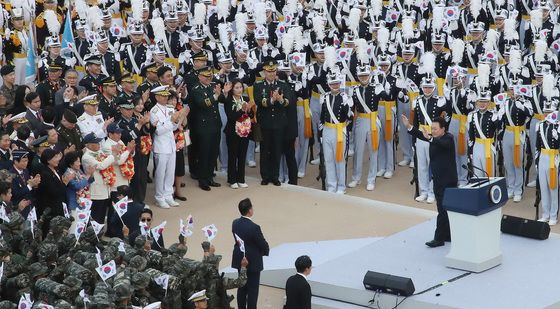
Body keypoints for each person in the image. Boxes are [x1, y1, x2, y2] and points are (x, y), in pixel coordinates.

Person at [402, 115, 457, 247]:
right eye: (432, 128)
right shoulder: (434, 138)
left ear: (443, 129)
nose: (433, 131)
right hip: (438, 180)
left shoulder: (448, 138)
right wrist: (409, 126)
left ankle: (439, 238)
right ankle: (448, 235)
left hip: (448, 181)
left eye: (435, 129)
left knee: (443, 210)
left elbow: (441, 143)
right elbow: (421, 135)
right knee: (444, 210)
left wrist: (431, 138)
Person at [150, 85, 187, 208]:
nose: (165, 98)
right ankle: (159, 197)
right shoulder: (153, 111)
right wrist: (171, 121)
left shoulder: (170, 109)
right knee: (161, 173)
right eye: (162, 95)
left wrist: (179, 119)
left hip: (171, 144)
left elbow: (175, 128)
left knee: (170, 172)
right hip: (161, 146)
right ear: (156, 97)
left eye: (166, 95)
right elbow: (158, 131)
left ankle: (168, 195)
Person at [231, 198, 270, 309]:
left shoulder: (235, 223)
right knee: (252, 290)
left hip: (240, 258)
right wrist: (265, 251)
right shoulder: (254, 228)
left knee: (242, 286)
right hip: (253, 262)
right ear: (249, 210)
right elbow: (262, 244)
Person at [224, 80, 253, 188]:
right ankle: (232, 180)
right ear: (232, 89)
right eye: (236, 87)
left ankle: (241, 179)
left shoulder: (245, 99)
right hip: (232, 132)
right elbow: (231, 117)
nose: (239, 89)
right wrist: (242, 110)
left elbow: (251, 114)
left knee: (242, 155)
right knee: (233, 156)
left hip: (244, 131)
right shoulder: (229, 101)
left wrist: (249, 110)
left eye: (240, 87)